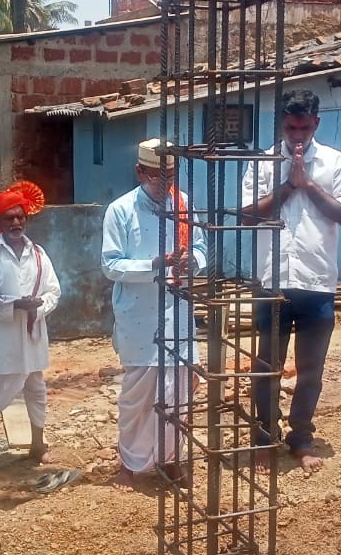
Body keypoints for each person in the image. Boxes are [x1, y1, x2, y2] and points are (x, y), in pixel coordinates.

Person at [241, 89, 341, 473]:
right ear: (281, 125)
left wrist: (308, 184)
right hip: (272, 280)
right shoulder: (262, 164)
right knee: (266, 364)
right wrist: (289, 185)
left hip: (317, 281)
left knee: (311, 369)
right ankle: (263, 438)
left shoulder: (336, 163)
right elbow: (246, 217)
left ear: (316, 123)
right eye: (291, 127)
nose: (297, 136)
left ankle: (301, 438)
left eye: (304, 127)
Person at [102, 138, 206, 491]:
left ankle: (169, 458)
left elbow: (201, 246)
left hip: (178, 310)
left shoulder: (183, 204)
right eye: (159, 176)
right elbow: (111, 264)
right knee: (139, 396)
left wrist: (194, 261)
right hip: (139, 315)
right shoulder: (120, 210)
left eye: (172, 176)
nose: (166, 183)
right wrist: (154, 265)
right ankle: (130, 465)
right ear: (140, 172)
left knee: (179, 391)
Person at [0, 181, 60, 471]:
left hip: (31, 337)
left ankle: (37, 444)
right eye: (10, 217)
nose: (16, 222)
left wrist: (38, 306)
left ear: (26, 219)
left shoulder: (39, 254)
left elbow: (54, 291)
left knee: (35, 388)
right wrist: (12, 306)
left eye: (20, 217)